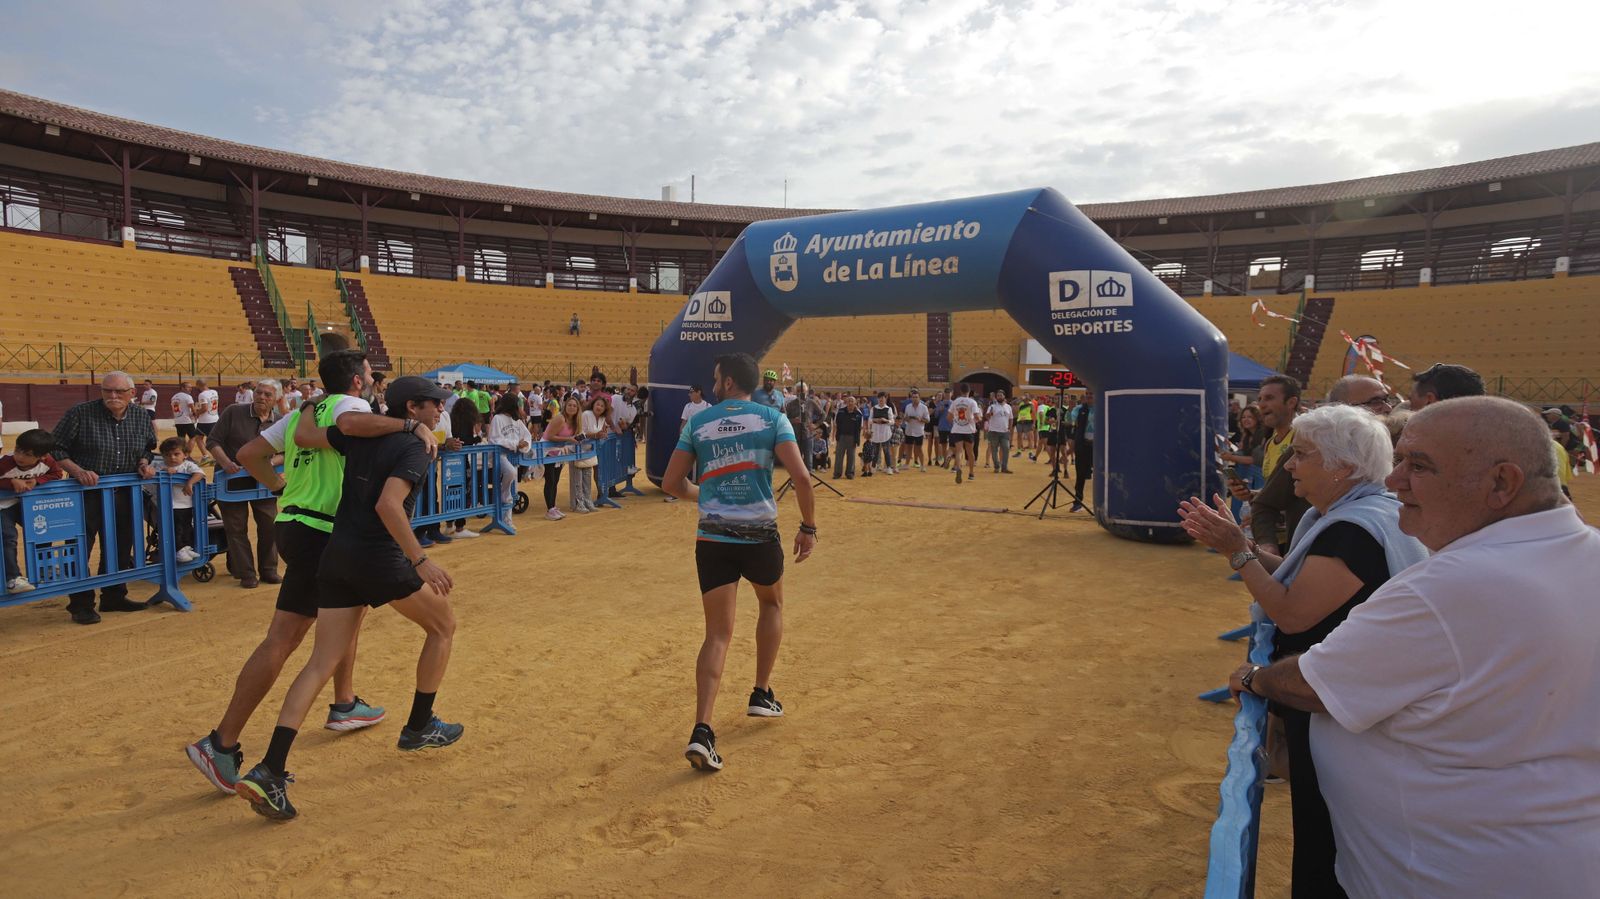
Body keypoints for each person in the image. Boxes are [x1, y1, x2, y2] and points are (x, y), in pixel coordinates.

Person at [1226, 397, 1600, 899]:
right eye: (1399, 460)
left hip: (1442, 873)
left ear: (1501, 483)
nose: (1395, 480)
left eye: (1418, 466)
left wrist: (1255, 678)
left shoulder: (1451, 586)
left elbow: (1314, 682)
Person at [1181, 404, 1428, 898]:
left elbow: (1293, 612)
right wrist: (1238, 545)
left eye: (1300, 454)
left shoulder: (1351, 529)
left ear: (1342, 466)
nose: (1288, 465)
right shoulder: (1354, 514)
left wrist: (1238, 551)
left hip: (1335, 710)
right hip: (1342, 700)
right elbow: (1301, 572)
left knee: (1327, 837)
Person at [184, 350, 430, 795]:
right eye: (371, 377)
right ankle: (221, 742)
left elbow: (249, 453)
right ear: (357, 382)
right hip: (323, 529)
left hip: (296, 523)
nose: (374, 384)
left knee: (347, 614)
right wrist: (411, 425)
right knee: (286, 638)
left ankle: (345, 702)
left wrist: (281, 488)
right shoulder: (351, 408)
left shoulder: (309, 409)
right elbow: (353, 428)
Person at [235, 376, 461, 821]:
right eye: (433, 405)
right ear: (412, 407)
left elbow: (303, 435)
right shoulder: (413, 445)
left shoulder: (359, 434)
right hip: (379, 557)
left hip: (336, 555)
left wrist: (314, 403)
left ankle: (270, 768)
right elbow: (388, 506)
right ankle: (420, 725)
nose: (439, 411)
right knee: (443, 627)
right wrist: (419, 560)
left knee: (321, 662)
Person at [662, 352, 816, 772]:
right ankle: (761, 693)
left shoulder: (699, 422)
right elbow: (801, 477)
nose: (713, 384)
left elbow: (671, 482)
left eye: (716, 378)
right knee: (771, 604)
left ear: (729, 382)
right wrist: (808, 527)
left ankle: (702, 730)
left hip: (712, 538)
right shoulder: (772, 418)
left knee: (716, 635)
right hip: (759, 536)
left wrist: (704, 496)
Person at [51, 371, 158, 624]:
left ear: (132, 394)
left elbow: (148, 447)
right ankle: (80, 604)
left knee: (121, 545)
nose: (112, 396)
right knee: (79, 547)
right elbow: (55, 447)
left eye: (119, 392)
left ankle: (114, 596)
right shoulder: (80, 413)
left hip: (124, 492)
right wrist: (77, 471)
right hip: (85, 493)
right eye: (107, 391)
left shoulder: (141, 416)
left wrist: (143, 462)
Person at [207, 379, 282, 587]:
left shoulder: (279, 420)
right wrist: (226, 463)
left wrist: (267, 462)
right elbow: (213, 441)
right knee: (236, 528)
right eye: (259, 392)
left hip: (264, 481)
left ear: (276, 399)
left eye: (268, 395)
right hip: (231, 480)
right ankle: (246, 573)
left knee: (269, 525)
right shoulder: (233, 412)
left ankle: (269, 570)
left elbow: (286, 452)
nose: (261, 397)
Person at [1235, 375, 1310, 554]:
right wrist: (1254, 494)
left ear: (1291, 402)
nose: (1261, 404)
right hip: (1275, 536)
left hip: (1300, 535)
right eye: (1260, 399)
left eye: (1269, 398)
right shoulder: (1270, 443)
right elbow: (1278, 489)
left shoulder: (1305, 439)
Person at [1, 429, 64, 593]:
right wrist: (10, 482)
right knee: (8, 538)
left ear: (42, 456)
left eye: (27, 454)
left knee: (42, 531)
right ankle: (12, 578)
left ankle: (44, 569)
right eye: (17, 450)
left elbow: (57, 474)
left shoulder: (48, 462)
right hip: (2, 507)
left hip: (26, 504)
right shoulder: (5, 462)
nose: (20, 457)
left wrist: (37, 480)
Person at [445, 398, 484, 538]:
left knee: (450, 492)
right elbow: (465, 441)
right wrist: (478, 439)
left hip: (450, 461)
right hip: (462, 462)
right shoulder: (467, 422)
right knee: (464, 492)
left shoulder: (451, 419)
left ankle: (449, 525)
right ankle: (460, 527)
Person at [1221, 404, 1267, 520]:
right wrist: (1231, 447)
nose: (1246, 420)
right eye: (1244, 417)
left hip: (1257, 478)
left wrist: (1231, 458)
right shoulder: (1246, 435)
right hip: (1243, 475)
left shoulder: (1264, 435)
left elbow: (1255, 460)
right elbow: (1244, 453)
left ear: (1258, 418)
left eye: (1250, 417)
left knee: (1253, 509)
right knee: (1239, 507)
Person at [486, 392, 531, 511]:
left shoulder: (516, 421)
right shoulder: (497, 418)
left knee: (513, 487)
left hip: (512, 456)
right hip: (498, 455)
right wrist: (515, 444)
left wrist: (524, 445)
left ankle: (508, 520)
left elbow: (527, 435)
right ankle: (503, 492)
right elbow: (495, 439)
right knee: (511, 473)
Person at [540, 396, 582, 520]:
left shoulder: (575, 421)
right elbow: (550, 436)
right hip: (547, 451)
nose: (572, 407)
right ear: (565, 406)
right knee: (550, 480)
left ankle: (553, 507)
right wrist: (568, 439)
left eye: (574, 406)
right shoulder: (560, 418)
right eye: (569, 405)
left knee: (555, 480)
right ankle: (550, 509)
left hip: (559, 453)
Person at [571, 394, 608, 512]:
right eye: (598, 404)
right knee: (578, 479)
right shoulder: (586, 414)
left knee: (587, 477)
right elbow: (581, 433)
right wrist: (597, 435)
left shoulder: (602, 419)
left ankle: (588, 501)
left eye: (602, 406)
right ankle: (578, 504)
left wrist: (602, 435)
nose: (599, 407)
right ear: (593, 405)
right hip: (578, 449)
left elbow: (600, 434)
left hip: (591, 451)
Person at [1406, 362, 1484, 409]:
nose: (1406, 405)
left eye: (1411, 399)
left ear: (1430, 399)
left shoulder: (1415, 434)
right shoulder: (1491, 431)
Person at [947, 383, 981, 483]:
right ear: (969, 391)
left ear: (960, 391)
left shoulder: (955, 402)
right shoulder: (972, 402)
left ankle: (958, 468)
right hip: (969, 429)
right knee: (970, 452)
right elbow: (977, 417)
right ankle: (971, 473)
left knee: (959, 451)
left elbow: (948, 417)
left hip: (957, 429)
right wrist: (976, 420)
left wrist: (956, 421)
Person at [1068, 392, 1094, 510]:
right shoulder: (1079, 409)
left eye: (1092, 394)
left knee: (1102, 475)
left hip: (1098, 448)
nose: (1089, 396)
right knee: (1080, 475)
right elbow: (1072, 422)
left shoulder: (1103, 407)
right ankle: (1078, 502)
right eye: (1087, 394)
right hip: (1083, 446)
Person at [863, 392, 896, 476]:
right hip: (876, 433)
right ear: (877, 399)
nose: (881, 399)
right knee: (875, 452)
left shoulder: (889, 409)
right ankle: (873, 467)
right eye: (879, 398)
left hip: (885, 433)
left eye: (883, 398)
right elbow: (869, 420)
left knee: (886, 451)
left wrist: (886, 420)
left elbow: (892, 421)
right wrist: (875, 420)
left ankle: (889, 468)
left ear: (886, 399)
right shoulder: (873, 408)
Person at [833, 394, 862, 480]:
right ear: (846, 402)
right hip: (841, 437)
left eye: (852, 401)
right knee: (839, 456)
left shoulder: (858, 414)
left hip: (852, 438)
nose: (850, 403)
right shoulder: (841, 411)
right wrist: (836, 436)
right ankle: (837, 473)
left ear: (855, 403)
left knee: (851, 456)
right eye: (849, 401)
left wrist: (857, 439)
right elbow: (836, 423)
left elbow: (859, 428)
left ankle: (850, 473)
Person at [984, 391, 1015, 473]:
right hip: (994, 431)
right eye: (998, 396)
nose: (999, 397)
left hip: (1004, 431)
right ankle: (997, 466)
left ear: (1004, 396)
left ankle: (1004, 467)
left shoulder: (1008, 407)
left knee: (1006, 448)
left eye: (1000, 395)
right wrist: (989, 414)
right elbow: (986, 417)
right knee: (994, 449)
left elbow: (1011, 418)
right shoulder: (992, 406)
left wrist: (1010, 428)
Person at [902, 388, 929, 471]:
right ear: (911, 398)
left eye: (916, 397)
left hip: (919, 431)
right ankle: (906, 464)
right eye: (913, 397)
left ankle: (922, 466)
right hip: (909, 430)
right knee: (908, 448)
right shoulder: (908, 406)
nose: (914, 399)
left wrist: (920, 419)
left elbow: (928, 420)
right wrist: (907, 418)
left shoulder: (924, 407)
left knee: (919, 449)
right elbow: (905, 418)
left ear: (919, 398)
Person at [171, 381, 200, 460]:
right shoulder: (187, 397)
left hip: (178, 420)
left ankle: (180, 455)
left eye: (191, 387)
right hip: (186, 420)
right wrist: (195, 414)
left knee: (181, 439)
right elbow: (192, 407)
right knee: (193, 437)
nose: (190, 389)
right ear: (182, 388)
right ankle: (186, 455)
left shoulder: (174, 397)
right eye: (188, 387)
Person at [194, 378, 220, 462]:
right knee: (213, 439)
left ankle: (207, 456)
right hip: (215, 417)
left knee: (199, 438)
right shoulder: (214, 392)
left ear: (198, 385)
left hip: (205, 420)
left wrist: (197, 413)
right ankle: (216, 456)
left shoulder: (202, 395)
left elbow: (204, 408)